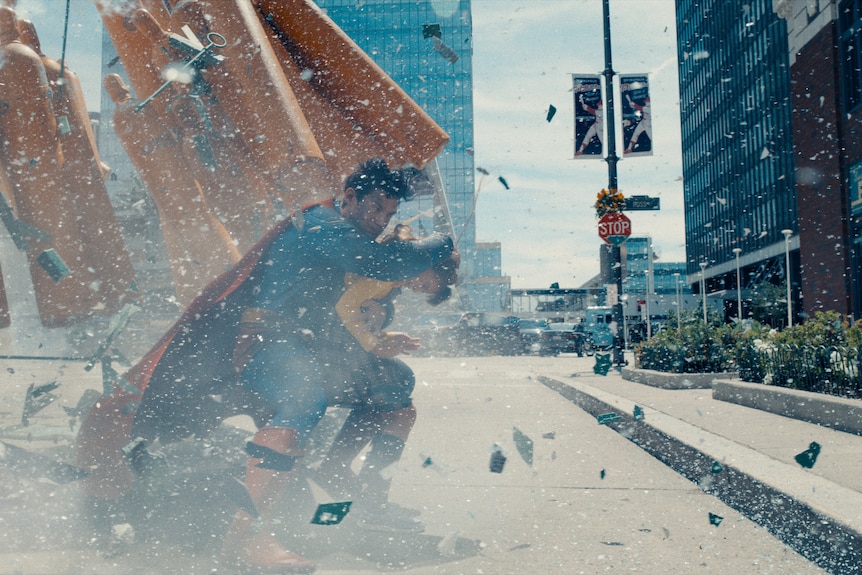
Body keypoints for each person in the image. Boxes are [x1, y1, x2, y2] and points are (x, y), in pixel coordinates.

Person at [80, 158, 457, 573]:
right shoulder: (321, 224)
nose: (381, 221)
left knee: (396, 390)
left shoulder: (346, 235)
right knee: (303, 401)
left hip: (312, 347)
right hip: (269, 341)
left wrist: (380, 317)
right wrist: (444, 241)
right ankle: (246, 538)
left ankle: (362, 494)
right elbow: (384, 265)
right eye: (376, 209)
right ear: (350, 198)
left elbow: (364, 292)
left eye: (389, 214)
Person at [307, 225, 459, 533]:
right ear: (426, 261)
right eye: (424, 281)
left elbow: (358, 318)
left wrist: (387, 337)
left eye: (423, 289)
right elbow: (344, 308)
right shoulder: (388, 272)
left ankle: (341, 476)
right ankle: (371, 504)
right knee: (401, 409)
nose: (417, 286)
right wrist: (374, 344)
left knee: (396, 386)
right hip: (335, 349)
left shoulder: (391, 277)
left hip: (338, 346)